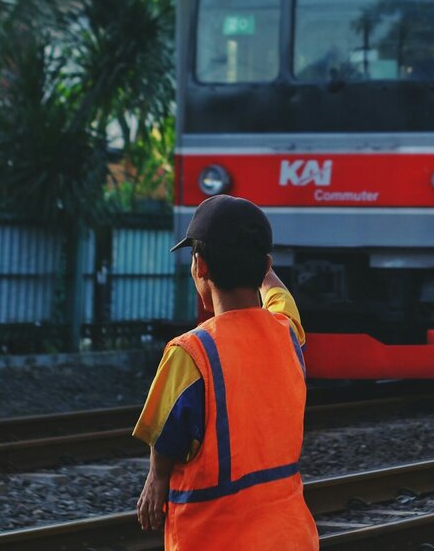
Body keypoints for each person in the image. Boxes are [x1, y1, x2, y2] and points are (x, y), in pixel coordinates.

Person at [133, 194, 319, 550]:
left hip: (215, 539)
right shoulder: (287, 334)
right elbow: (280, 296)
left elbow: (166, 437)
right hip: (291, 538)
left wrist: (155, 480)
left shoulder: (190, 351)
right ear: (264, 265)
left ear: (200, 266)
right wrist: (261, 266)